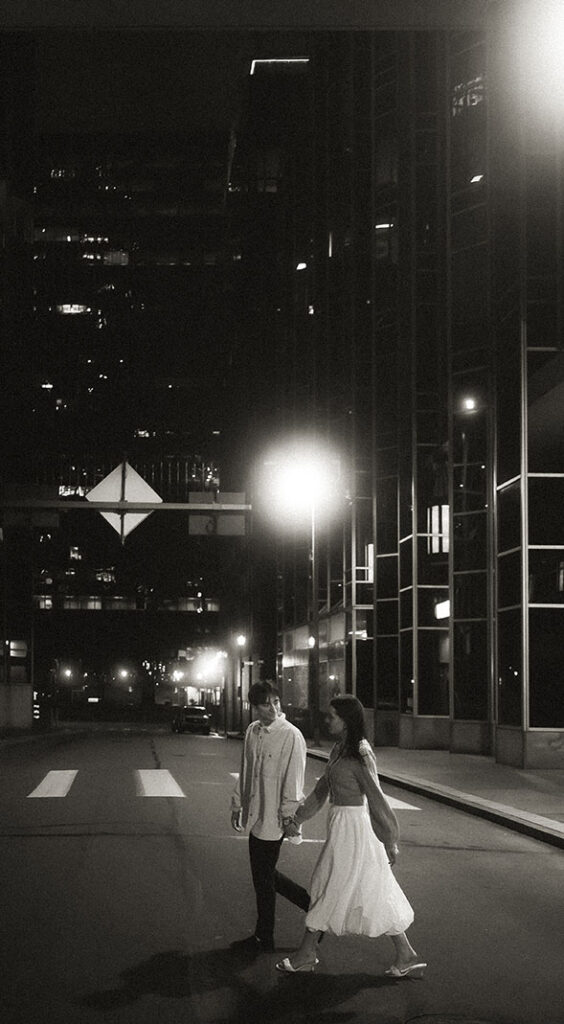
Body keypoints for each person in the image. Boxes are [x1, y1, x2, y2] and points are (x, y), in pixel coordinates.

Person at [276, 694, 426, 979]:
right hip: (341, 826)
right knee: (372, 890)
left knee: (329, 885)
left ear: (346, 720)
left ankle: (306, 954)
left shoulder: (360, 752)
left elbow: (377, 798)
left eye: (332, 716)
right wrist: (297, 818)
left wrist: (389, 839)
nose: (327, 719)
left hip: (354, 830)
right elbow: (322, 790)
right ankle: (405, 953)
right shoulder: (339, 749)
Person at [231, 680, 310, 954]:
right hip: (255, 814)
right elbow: (244, 770)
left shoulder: (291, 736)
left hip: (274, 819)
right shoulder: (253, 731)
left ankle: (265, 937)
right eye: (266, 703)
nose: (273, 708)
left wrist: (290, 819)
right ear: (254, 707)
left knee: (263, 879)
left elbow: (294, 784)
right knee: (264, 877)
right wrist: (236, 804)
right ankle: (311, 907)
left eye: (276, 701)